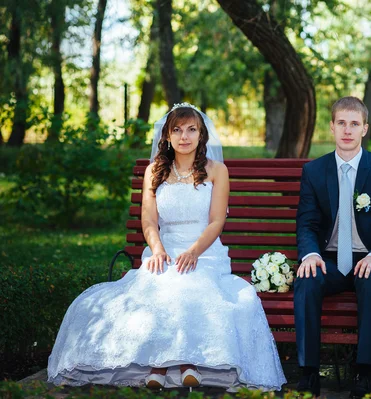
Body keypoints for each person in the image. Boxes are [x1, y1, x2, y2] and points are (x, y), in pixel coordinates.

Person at [47, 103, 286, 391]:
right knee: (158, 284)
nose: (184, 136)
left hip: (205, 252)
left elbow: (216, 222)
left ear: (201, 135)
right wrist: (158, 249)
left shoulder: (217, 171)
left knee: (185, 284)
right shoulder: (154, 172)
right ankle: (176, 365)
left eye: (191, 130)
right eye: (177, 130)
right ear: (167, 136)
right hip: (164, 249)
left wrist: (194, 251)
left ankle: (168, 366)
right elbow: (148, 219)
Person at [294, 96, 371, 398]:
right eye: (341, 123)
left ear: (364, 129)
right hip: (328, 259)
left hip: (368, 257)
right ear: (331, 127)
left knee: (370, 279)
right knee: (306, 278)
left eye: (354, 124)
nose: (347, 130)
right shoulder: (314, 171)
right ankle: (309, 373)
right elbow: (306, 223)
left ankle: (364, 372)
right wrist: (311, 254)